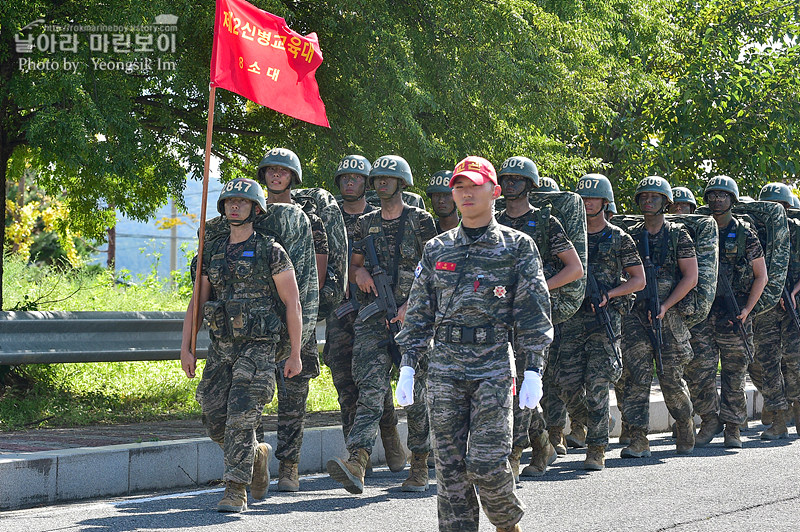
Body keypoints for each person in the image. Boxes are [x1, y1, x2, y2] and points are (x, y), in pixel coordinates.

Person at [395, 155, 552, 532]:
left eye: (473, 186)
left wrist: (533, 369)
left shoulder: (518, 246)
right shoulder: (437, 249)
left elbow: (533, 313)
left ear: (494, 191)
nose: (465, 193)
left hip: (492, 365)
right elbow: (419, 311)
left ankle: (506, 524)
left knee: (486, 462)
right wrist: (407, 364)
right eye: (459, 186)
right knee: (449, 471)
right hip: (445, 366)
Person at [180, 178, 303, 512]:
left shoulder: (270, 250)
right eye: (230, 202)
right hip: (222, 347)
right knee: (213, 415)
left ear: (255, 208)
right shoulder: (212, 253)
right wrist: (186, 348)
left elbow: (292, 303)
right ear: (223, 208)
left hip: (259, 346)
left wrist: (295, 353)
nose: (235, 206)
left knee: (240, 415)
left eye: (242, 202)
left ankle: (235, 490)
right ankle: (254, 455)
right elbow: (198, 302)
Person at [327, 154, 437, 494]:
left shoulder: (421, 221)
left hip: (414, 321)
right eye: (377, 179)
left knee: (416, 397)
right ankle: (357, 461)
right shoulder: (365, 223)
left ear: (402, 182)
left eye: (388, 179)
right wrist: (358, 272)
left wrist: (410, 306)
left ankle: (419, 464)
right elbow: (354, 264)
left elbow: (435, 271)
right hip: (373, 319)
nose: (381, 183)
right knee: (370, 390)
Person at [495, 156, 583, 478]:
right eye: (506, 178)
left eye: (518, 179)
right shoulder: (493, 221)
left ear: (530, 185)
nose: (510, 184)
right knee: (513, 386)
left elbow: (574, 269)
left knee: (522, 385)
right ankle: (542, 441)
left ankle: (515, 455)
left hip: (532, 319)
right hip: (500, 317)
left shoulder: (546, 223)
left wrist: (539, 286)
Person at [322, 155, 406, 474]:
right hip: (341, 313)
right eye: (344, 177)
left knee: (374, 380)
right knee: (346, 381)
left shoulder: (378, 216)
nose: (349, 182)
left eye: (356, 177)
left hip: (375, 312)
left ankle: (389, 435)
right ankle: (355, 457)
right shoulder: (330, 218)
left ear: (366, 183)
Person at [557, 173, 645, 470]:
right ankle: (592, 421)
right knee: (565, 382)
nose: (587, 203)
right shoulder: (568, 236)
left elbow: (639, 280)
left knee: (597, 384)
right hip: (571, 319)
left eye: (593, 198)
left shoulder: (619, 237)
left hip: (603, 320)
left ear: (605, 202)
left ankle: (596, 447)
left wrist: (611, 293)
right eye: (582, 198)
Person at [256, 147, 326, 492]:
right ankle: (254, 462)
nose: (275, 176)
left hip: (298, 314)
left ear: (293, 177)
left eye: (282, 171)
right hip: (257, 321)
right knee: (251, 392)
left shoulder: (307, 219)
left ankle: (289, 466)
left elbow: (317, 271)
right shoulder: (251, 211)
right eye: (270, 171)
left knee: (293, 397)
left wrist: (305, 321)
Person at [685, 176, 768, 448]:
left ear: (732, 199)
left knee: (734, 372)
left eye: (723, 195)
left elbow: (761, 276)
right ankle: (709, 420)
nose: (717, 199)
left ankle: (733, 426)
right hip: (704, 312)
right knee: (700, 370)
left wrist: (747, 309)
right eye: (712, 195)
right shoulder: (697, 229)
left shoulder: (744, 232)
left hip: (734, 313)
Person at [618, 176, 698, 458]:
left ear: (666, 202)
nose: (648, 201)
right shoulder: (631, 234)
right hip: (636, 315)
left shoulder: (677, 235)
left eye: (654, 197)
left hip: (669, 316)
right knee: (635, 378)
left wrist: (666, 305)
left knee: (671, 379)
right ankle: (638, 438)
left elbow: (690, 276)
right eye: (644, 197)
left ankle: (685, 424)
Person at [751, 182, 796, 439]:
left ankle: (795, 405)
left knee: (793, 361)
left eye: (780, 207)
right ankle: (778, 416)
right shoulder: (755, 231)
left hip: (793, 306)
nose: (776, 211)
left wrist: (792, 292)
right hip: (767, 306)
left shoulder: (797, 230)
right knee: (766, 362)